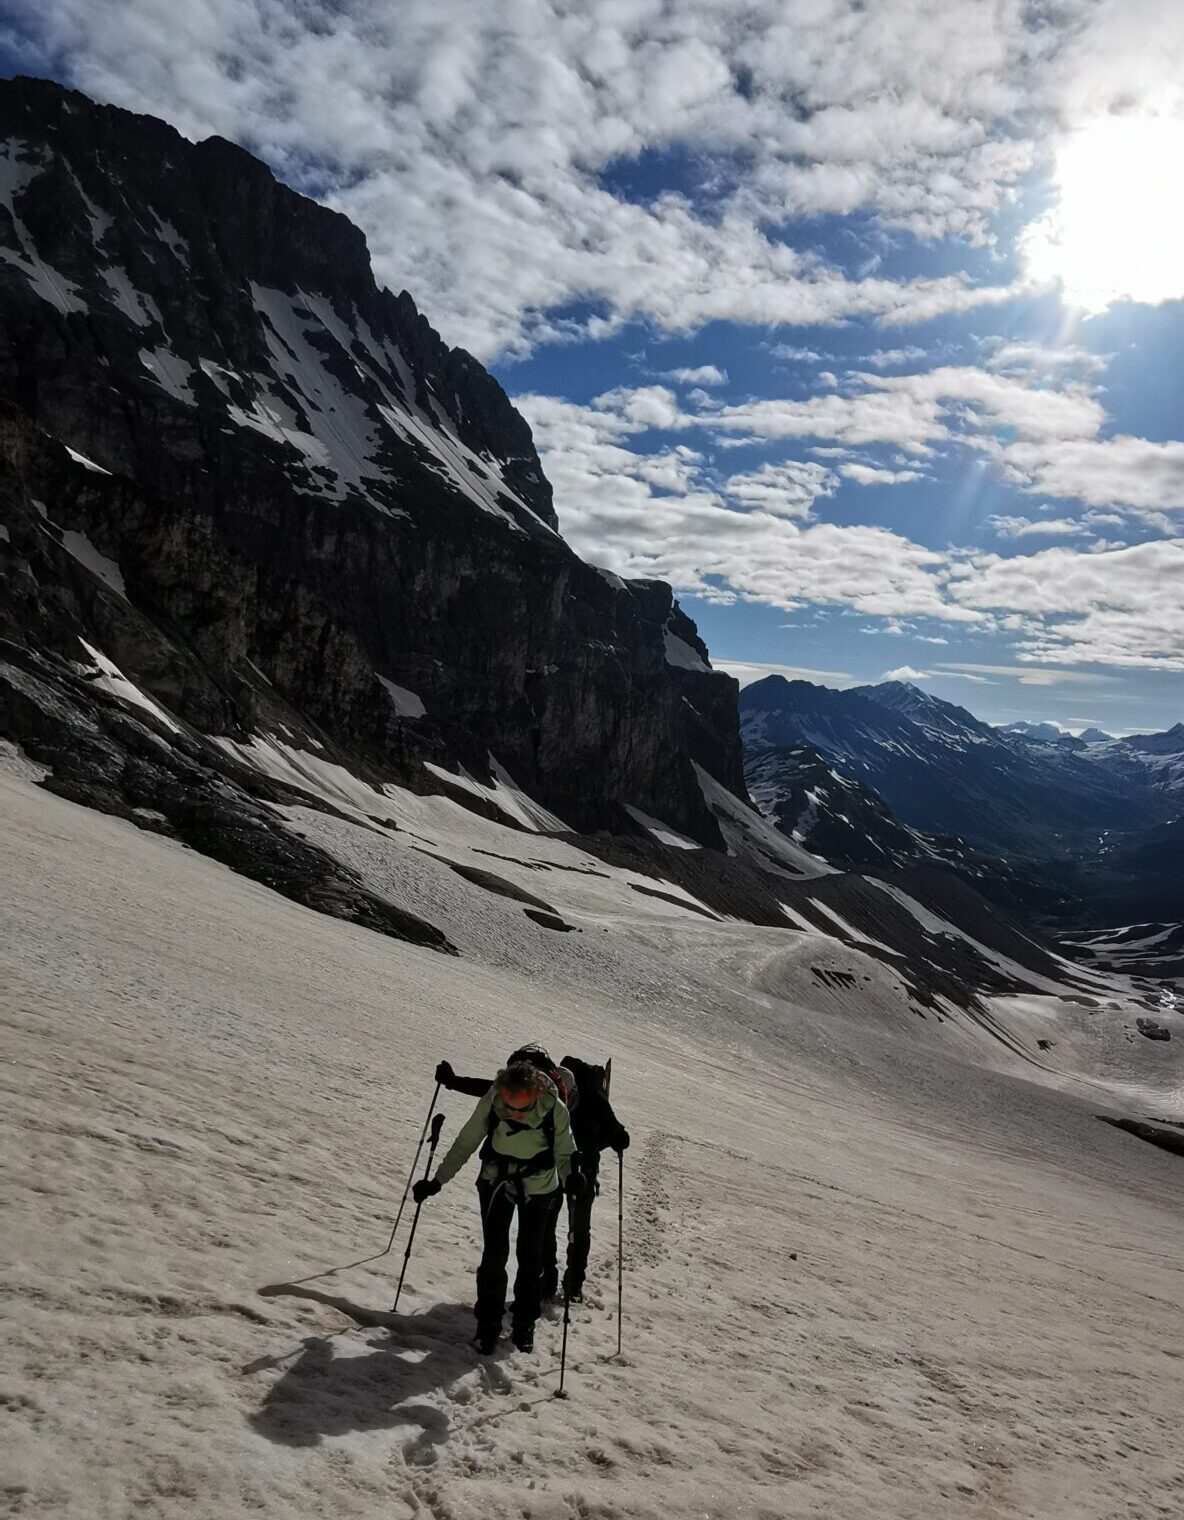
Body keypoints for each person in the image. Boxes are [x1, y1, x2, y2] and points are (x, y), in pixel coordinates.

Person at [434, 1046, 629, 1303]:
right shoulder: (540, 1097)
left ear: (572, 1092)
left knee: (578, 1225)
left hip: (582, 1163)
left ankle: (574, 1283)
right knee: (546, 1228)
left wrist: (616, 1138)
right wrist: (453, 1082)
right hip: (551, 1166)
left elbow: (614, 1130)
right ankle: (547, 1283)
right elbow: (493, 1091)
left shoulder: (592, 1103)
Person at [412, 1060, 576, 1354]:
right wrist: (438, 1181)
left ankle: (524, 1324)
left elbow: (565, 1154)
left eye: (522, 1108)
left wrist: (572, 1180)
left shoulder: (554, 1108)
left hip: (539, 1187)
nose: (514, 1114)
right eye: (509, 1107)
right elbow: (467, 1140)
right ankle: (488, 1325)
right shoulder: (494, 1098)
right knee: (494, 1255)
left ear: (537, 1094)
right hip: (496, 1181)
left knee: (531, 1256)